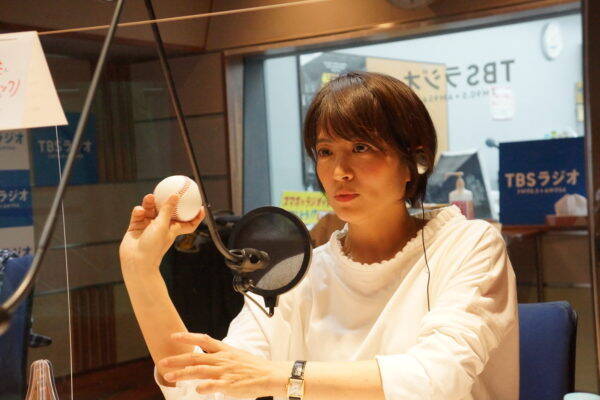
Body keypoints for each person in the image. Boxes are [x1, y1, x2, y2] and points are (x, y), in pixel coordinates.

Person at [119, 71, 519, 400]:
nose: (339, 171)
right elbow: (202, 391)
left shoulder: (469, 245)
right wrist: (140, 269)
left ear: (416, 159)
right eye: (326, 152)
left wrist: (281, 377)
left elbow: (436, 379)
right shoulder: (296, 272)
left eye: (361, 147)